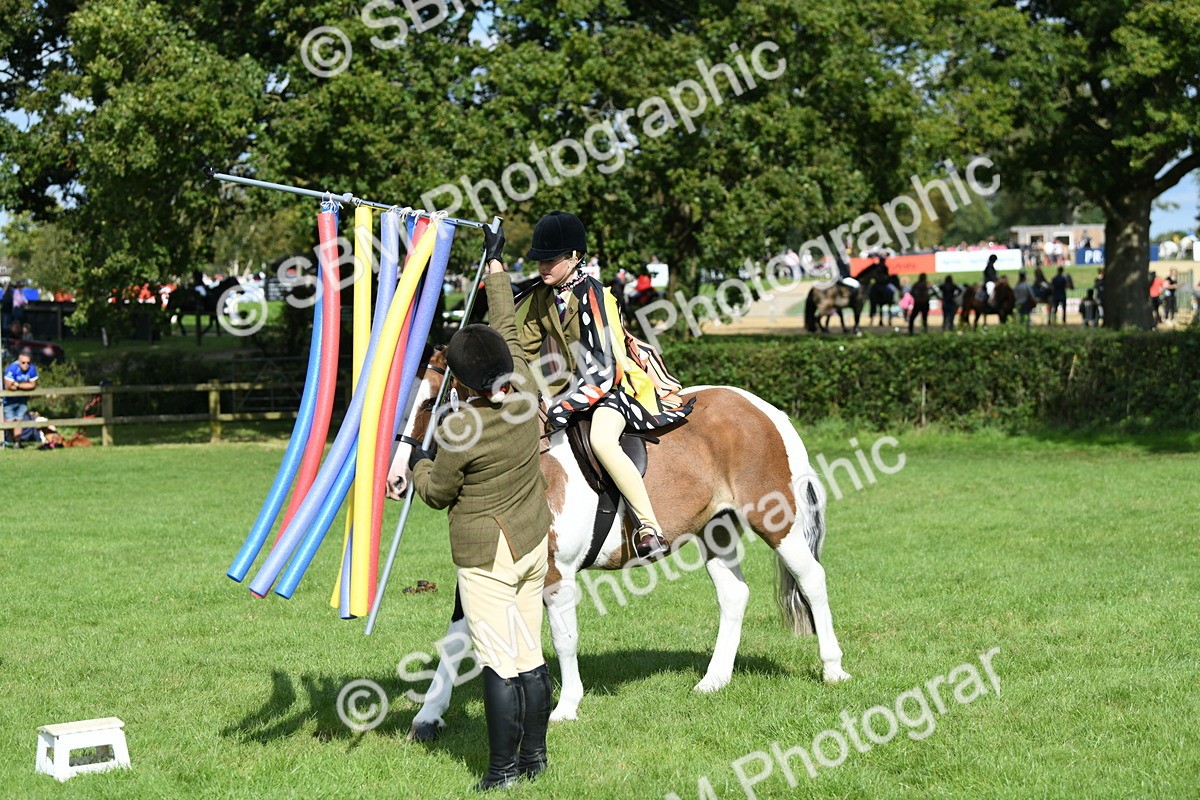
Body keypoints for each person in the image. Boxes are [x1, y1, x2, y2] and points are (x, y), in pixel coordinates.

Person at [409, 230, 552, 791]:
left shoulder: (460, 430)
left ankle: (501, 772)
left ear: (463, 383)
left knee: (499, 663)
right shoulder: (525, 390)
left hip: (487, 556)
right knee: (531, 654)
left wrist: (421, 459)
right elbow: (509, 329)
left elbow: (437, 492)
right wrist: (496, 271)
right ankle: (536, 759)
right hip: (533, 542)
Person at [518, 211, 693, 559]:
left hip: (614, 387)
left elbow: (604, 368)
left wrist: (562, 407)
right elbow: (519, 345)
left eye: (551, 260)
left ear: (574, 258)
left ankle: (649, 527)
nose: (543, 267)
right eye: (539, 260)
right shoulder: (542, 296)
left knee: (601, 439)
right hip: (571, 390)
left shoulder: (593, 294)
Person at [3, 348, 39, 447]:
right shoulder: (12, 368)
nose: (26, 365)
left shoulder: (32, 368)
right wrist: (24, 385)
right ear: (19, 361)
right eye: (23, 362)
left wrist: (18, 385)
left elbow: (32, 385)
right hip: (9, 400)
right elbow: (8, 386)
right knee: (10, 421)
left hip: (22, 399)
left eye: (28, 362)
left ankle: (17, 443)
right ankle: (14, 440)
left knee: (19, 420)